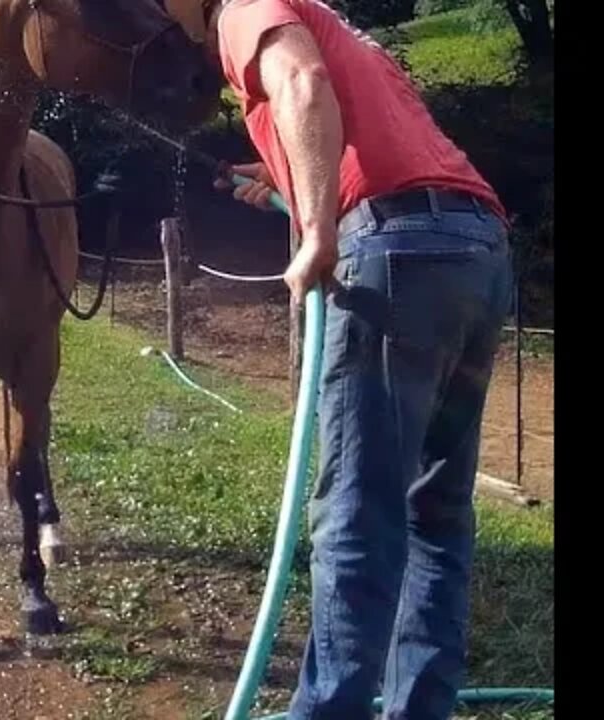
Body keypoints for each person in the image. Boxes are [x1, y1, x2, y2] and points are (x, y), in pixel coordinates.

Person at [164, 1, 516, 718]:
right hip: (475, 250)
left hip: (396, 254)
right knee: (437, 513)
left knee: (358, 513)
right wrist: (286, 182)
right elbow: (355, 129)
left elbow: (303, 85)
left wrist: (318, 231)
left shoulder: (240, 11)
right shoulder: (331, 20)